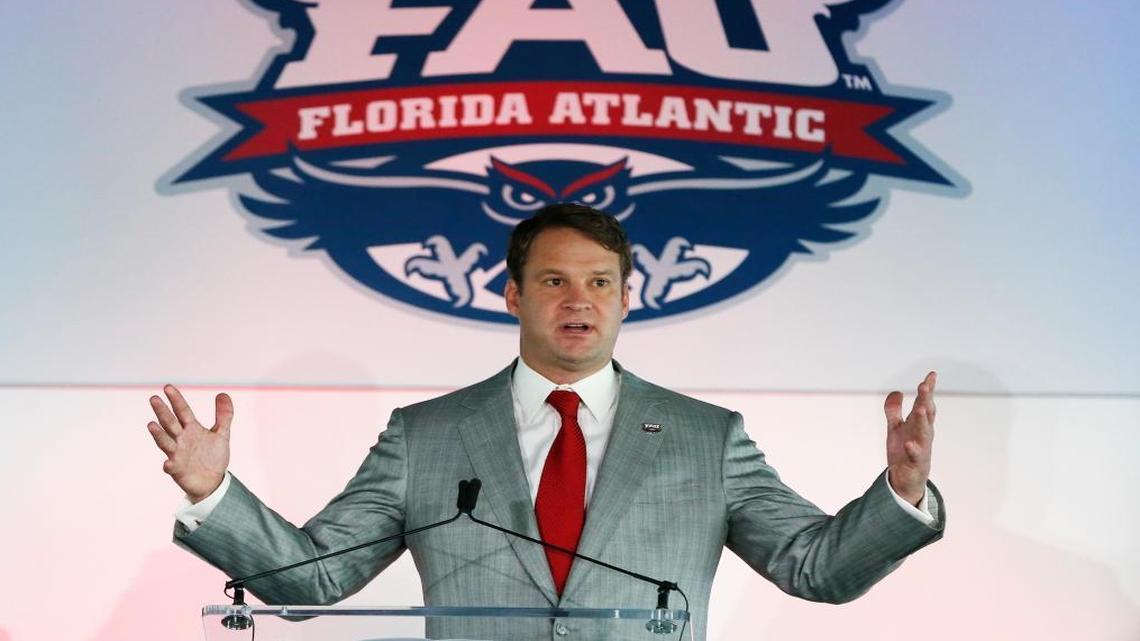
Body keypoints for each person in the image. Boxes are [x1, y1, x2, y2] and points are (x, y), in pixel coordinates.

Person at [147, 203, 944, 641]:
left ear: (628, 298)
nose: (580, 300)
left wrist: (901, 494)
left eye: (601, 281)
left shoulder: (709, 437)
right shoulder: (424, 435)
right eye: (556, 279)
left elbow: (817, 568)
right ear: (513, 295)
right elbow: (315, 579)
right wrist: (215, 493)